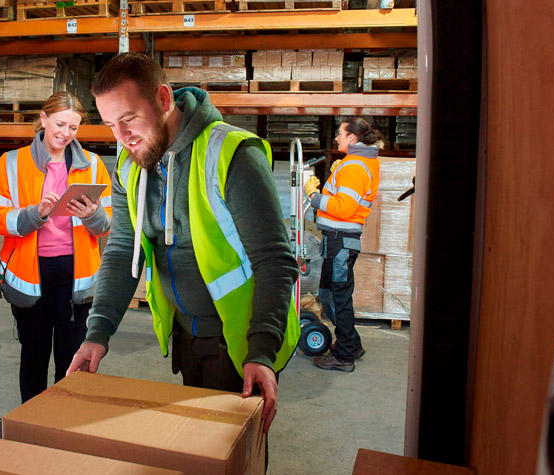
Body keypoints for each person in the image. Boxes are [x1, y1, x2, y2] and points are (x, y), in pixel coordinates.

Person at [66, 52, 300, 435]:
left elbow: (274, 260)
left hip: (240, 341)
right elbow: (124, 250)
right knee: (197, 444)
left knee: (235, 452)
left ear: (162, 99)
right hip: (186, 337)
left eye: (128, 119)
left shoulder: (233, 154)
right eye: (110, 125)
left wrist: (261, 349)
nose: (121, 138)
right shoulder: (130, 165)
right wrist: (98, 332)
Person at [0, 91, 112, 402]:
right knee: (34, 358)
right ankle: (31, 420)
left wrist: (92, 215)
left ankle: (63, 423)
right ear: (43, 119)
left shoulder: (92, 166)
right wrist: (33, 214)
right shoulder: (11, 163)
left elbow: (107, 224)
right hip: (31, 278)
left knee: (72, 361)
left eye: (73, 128)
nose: (65, 134)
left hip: (77, 280)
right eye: (60, 124)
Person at [305, 118, 383, 373]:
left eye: (340, 134)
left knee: (338, 298)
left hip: (340, 241)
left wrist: (312, 196)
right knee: (329, 294)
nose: (336, 138)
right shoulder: (358, 163)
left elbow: (344, 208)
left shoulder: (355, 166)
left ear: (352, 138)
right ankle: (353, 344)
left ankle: (345, 356)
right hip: (339, 241)